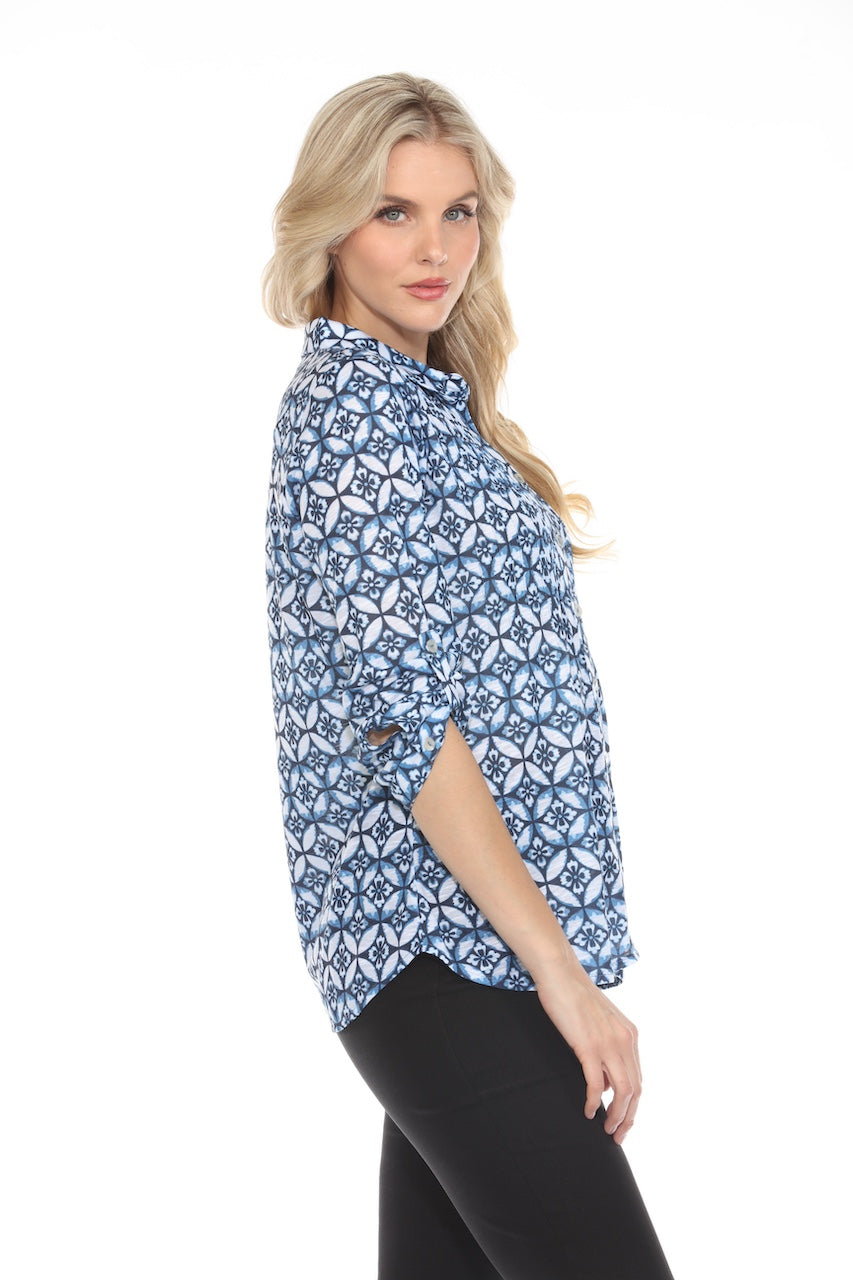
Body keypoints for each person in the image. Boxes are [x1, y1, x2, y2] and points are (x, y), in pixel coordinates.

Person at [263, 72, 674, 1280]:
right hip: (436, 946)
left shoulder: (432, 407)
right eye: (393, 212)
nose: (434, 249)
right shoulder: (348, 418)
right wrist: (564, 979)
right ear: (331, 224)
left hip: (472, 943)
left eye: (459, 212)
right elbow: (408, 727)